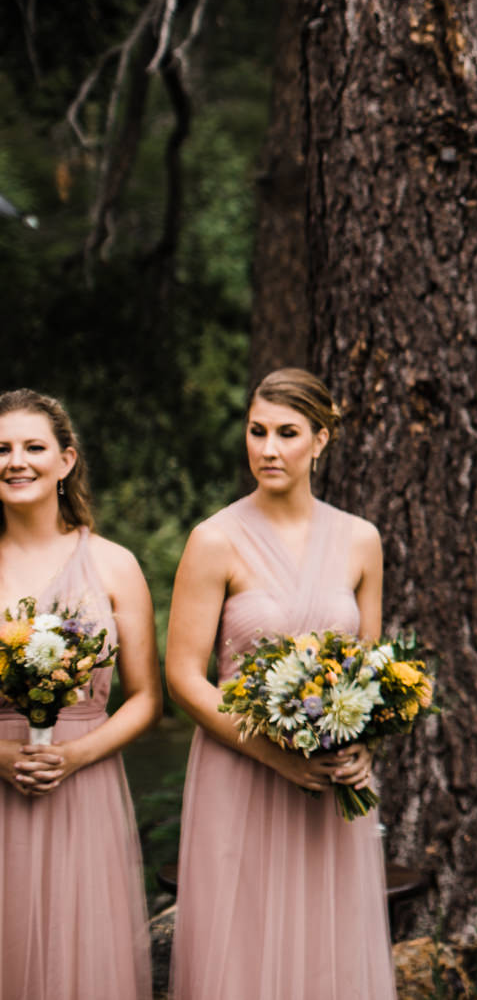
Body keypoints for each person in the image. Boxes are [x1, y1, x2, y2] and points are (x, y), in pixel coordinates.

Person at [165, 368, 395, 1000]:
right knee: (239, 951)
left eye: (287, 433)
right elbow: (183, 676)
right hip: (239, 772)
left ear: (320, 441)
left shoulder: (360, 540)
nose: (267, 449)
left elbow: (370, 673)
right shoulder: (213, 540)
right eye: (256, 431)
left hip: (328, 782)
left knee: (329, 954)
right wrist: (272, 754)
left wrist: (364, 747)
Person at [0, 389, 158, 1000]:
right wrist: (5, 756)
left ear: (65, 461)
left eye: (33, 447)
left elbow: (145, 698)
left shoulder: (115, 566)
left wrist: (73, 756)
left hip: (84, 785)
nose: (17, 461)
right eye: (3, 448)